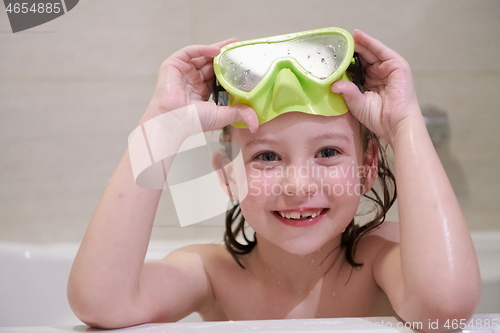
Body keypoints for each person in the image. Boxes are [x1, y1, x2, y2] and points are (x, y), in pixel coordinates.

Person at [67, 29, 481, 331]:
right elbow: (102, 303)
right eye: (266, 156)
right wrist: (163, 124)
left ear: (368, 167)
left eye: (327, 152)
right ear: (227, 177)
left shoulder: (381, 261)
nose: (298, 185)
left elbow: (443, 310)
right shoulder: (213, 274)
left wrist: (406, 125)